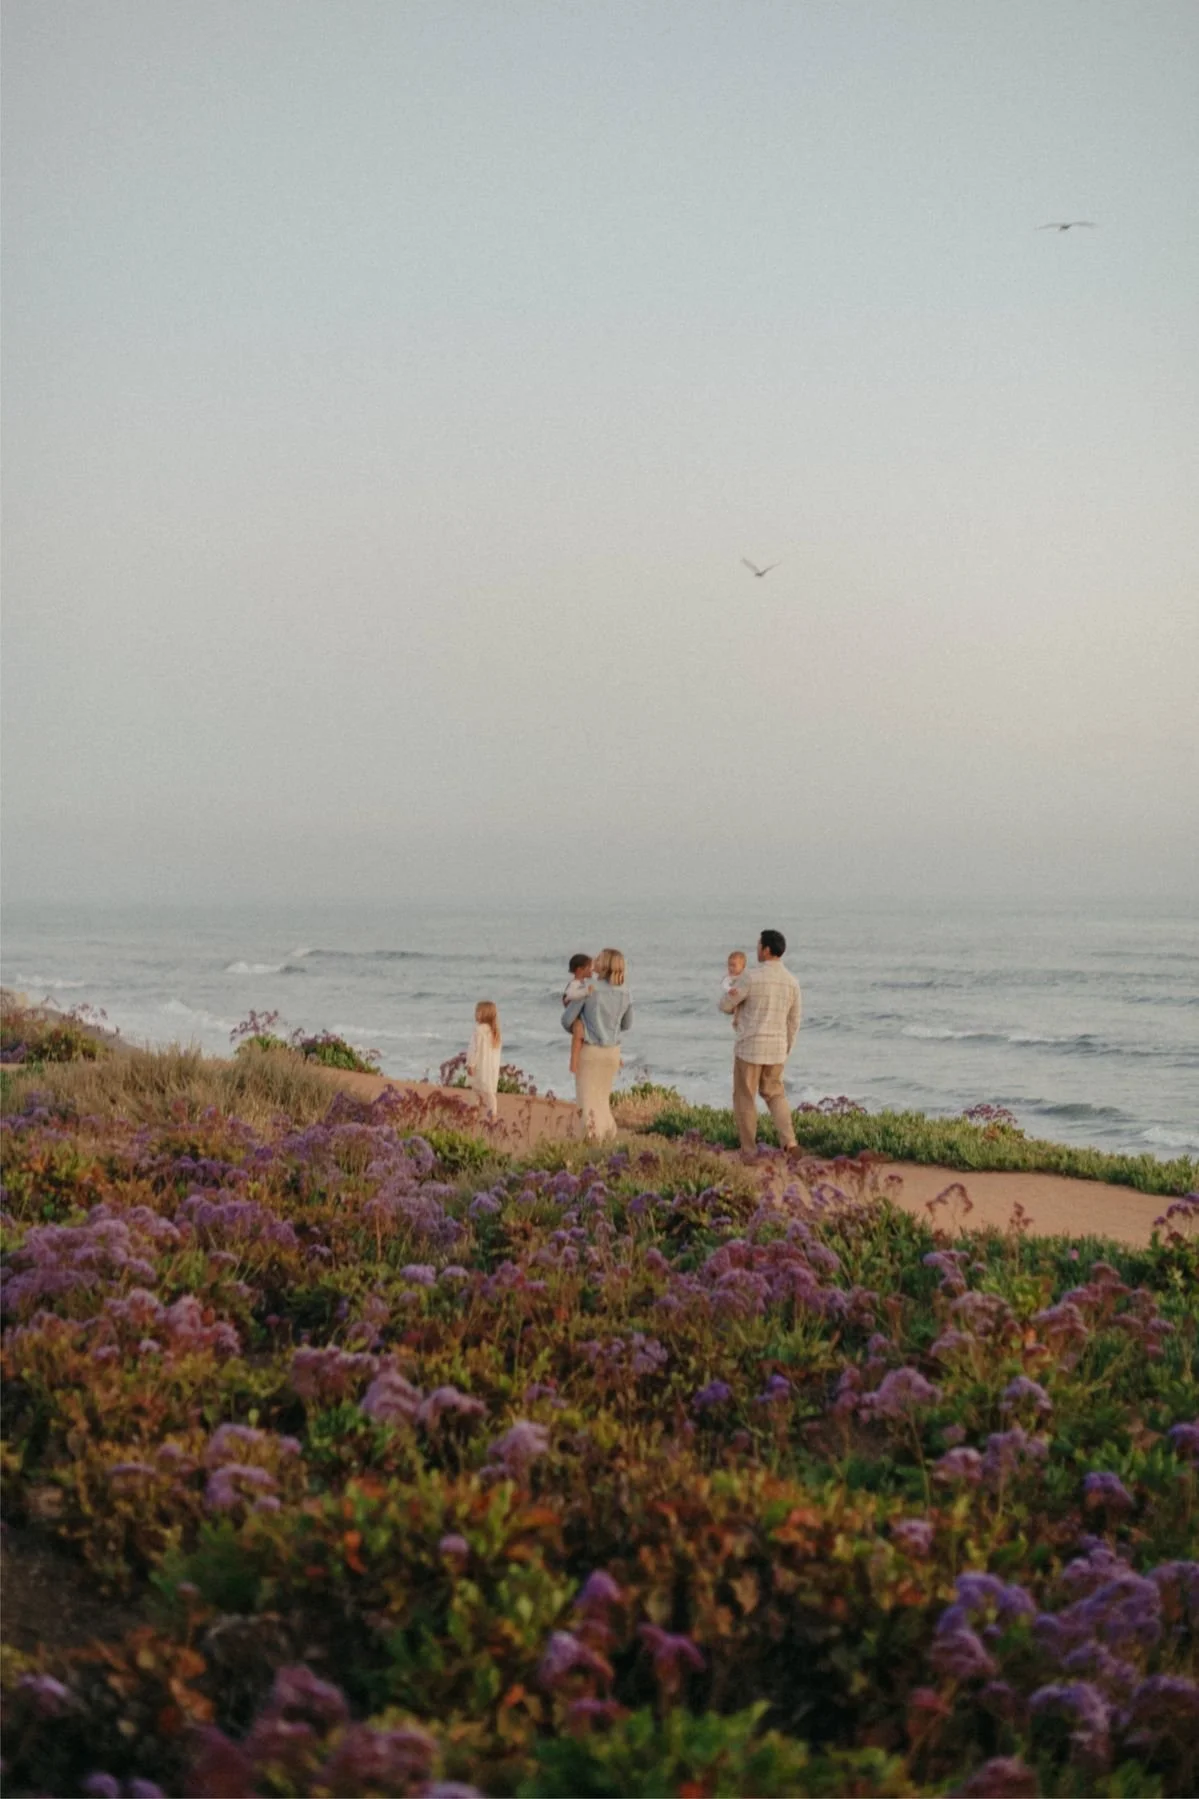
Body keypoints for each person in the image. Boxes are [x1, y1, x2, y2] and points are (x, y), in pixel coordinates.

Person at [719, 929, 801, 1153]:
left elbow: (726, 1005)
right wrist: (786, 1048)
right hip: (777, 1049)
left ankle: (748, 1150)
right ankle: (790, 1142)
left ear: (766, 950)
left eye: (758, 946)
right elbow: (794, 1021)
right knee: (775, 1095)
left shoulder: (751, 977)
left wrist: (731, 999)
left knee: (745, 1098)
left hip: (750, 1047)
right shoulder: (792, 982)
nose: (756, 949)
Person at [562, 947, 633, 1140]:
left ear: (605, 965)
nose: (595, 960)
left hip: (591, 1051)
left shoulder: (589, 989)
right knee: (602, 1099)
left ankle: (592, 1141)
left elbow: (567, 1019)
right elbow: (627, 1024)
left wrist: (579, 1026)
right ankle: (608, 1137)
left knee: (586, 1101)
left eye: (599, 958)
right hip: (612, 1052)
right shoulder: (625, 992)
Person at [466, 1000, 501, 1121]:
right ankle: (493, 1114)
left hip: (480, 1067)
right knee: (490, 1092)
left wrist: (471, 1064)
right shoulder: (494, 1032)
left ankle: (473, 1113)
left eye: (477, 1012)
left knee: (475, 1090)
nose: (475, 1014)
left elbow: (473, 1049)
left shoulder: (478, 1030)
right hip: (491, 1068)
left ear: (484, 1014)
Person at [562, 952, 594, 1077]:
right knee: (578, 1033)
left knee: (581, 1037)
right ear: (580, 969)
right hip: (575, 1017)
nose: (591, 969)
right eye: (589, 967)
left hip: (581, 1016)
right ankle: (574, 1062)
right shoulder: (574, 984)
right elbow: (570, 995)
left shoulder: (582, 984)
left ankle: (580, 1061)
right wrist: (586, 992)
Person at [722, 950, 747, 1025]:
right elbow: (724, 984)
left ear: (743, 967)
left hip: (743, 996)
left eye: (734, 965)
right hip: (734, 996)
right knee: (737, 1007)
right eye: (729, 965)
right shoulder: (729, 977)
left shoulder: (745, 976)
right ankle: (736, 1020)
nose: (731, 968)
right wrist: (729, 989)